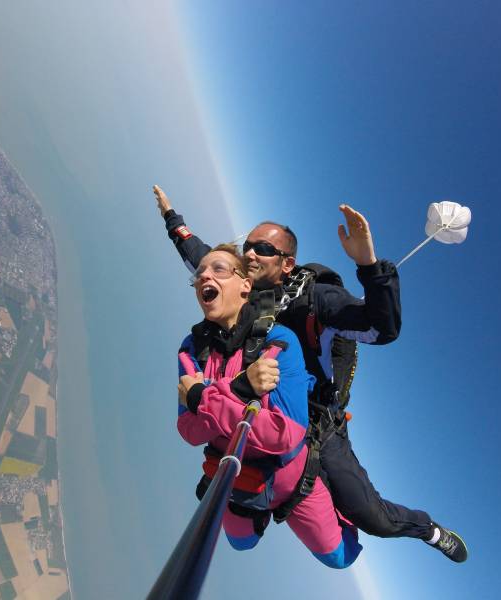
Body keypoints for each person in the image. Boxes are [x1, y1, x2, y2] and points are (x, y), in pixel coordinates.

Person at [156, 185, 468, 563]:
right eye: (248, 247)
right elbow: (199, 257)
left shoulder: (315, 301)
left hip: (319, 420)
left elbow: (379, 328)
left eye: (265, 249)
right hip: (264, 403)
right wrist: (172, 217)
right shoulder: (239, 285)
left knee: (371, 517)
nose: (251, 254)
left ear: (287, 263)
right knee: (241, 521)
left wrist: (368, 265)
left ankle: (427, 529)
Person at [177, 243, 362, 569]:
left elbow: (285, 434)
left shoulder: (279, 340)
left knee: (340, 558)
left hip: (293, 481)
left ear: (245, 285)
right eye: (200, 273)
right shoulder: (192, 348)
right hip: (238, 477)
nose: (204, 274)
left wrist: (202, 398)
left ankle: (339, 505)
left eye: (218, 269)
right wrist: (238, 389)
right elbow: (189, 431)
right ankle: (260, 517)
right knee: (240, 542)